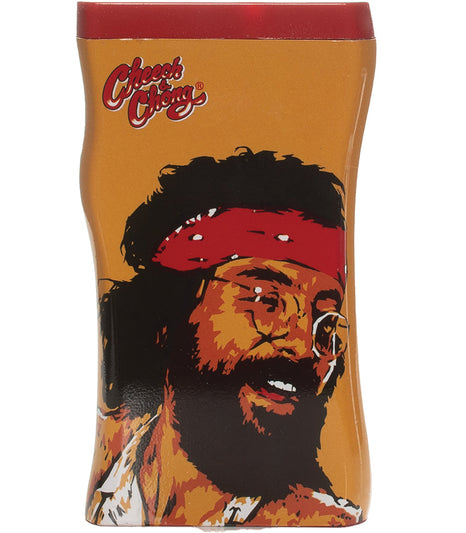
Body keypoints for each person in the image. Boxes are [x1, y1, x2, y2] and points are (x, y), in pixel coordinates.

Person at [86, 148, 362, 526]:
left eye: (324, 322)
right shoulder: (114, 458)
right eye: (266, 300)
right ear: (169, 314)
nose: (303, 348)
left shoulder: (322, 521)